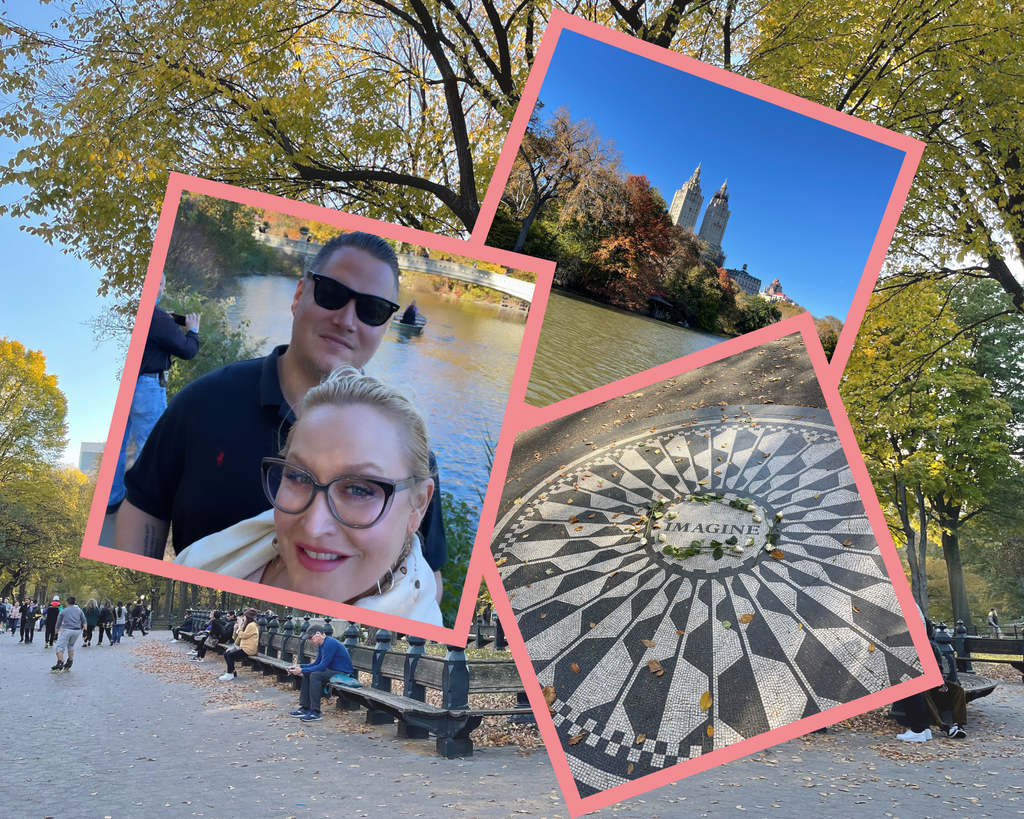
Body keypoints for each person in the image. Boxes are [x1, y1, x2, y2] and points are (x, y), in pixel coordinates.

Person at [113, 233, 448, 601]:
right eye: (331, 294)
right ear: (298, 295)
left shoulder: (403, 454)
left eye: (372, 309)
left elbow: (427, 572)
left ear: (384, 326)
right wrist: (137, 599)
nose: (347, 320)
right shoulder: (203, 402)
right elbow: (146, 505)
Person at [174, 367, 442, 625]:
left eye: (359, 490)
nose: (313, 526)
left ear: (418, 505)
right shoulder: (234, 550)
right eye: (299, 477)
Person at [106, 272, 201, 518]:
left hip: (126, 381)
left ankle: (112, 499)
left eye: (162, 284)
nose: (160, 288)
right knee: (149, 446)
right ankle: (139, 508)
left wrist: (164, 321)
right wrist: (193, 331)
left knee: (118, 444)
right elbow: (187, 351)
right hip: (146, 387)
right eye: (159, 283)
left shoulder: (145, 314)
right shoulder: (155, 316)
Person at [286, 624, 353, 722]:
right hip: (332, 670)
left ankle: (316, 711)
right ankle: (305, 707)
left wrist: (301, 670)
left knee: (315, 675)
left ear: (318, 634)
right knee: (309, 673)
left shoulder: (329, 643)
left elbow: (322, 667)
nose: (310, 640)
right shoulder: (322, 644)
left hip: (342, 673)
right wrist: (299, 666)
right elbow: (317, 663)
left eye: (310, 637)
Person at [219, 608, 259, 681]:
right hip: (243, 647)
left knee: (230, 655)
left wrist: (240, 627)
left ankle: (229, 673)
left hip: (249, 649)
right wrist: (235, 629)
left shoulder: (252, 625)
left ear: (247, 617)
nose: (243, 618)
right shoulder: (248, 625)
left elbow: (243, 636)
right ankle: (232, 672)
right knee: (226, 653)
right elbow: (236, 638)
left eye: (244, 616)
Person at [51, 596, 86, 673]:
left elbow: (58, 624)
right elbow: (84, 621)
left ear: (67, 603)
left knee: (60, 646)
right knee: (71, 645)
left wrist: (55, 634)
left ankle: (60, 663)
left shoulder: (63, 611)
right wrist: (85, 631)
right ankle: (70, 661)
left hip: (68, 629)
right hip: (77, 630)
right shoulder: (79, 611)